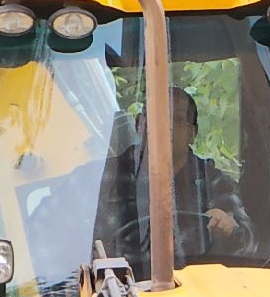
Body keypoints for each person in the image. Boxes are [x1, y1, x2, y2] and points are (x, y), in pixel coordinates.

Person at [96, 87, 256, 263]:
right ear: (140, 124)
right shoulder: (105, 177)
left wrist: (230, 228)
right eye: (158, 116)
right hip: (116, 286)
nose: (167, 126)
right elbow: (68, 236)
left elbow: (250, 244)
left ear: (192, 133)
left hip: (196, 286)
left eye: (177, 119)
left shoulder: (214, 183)